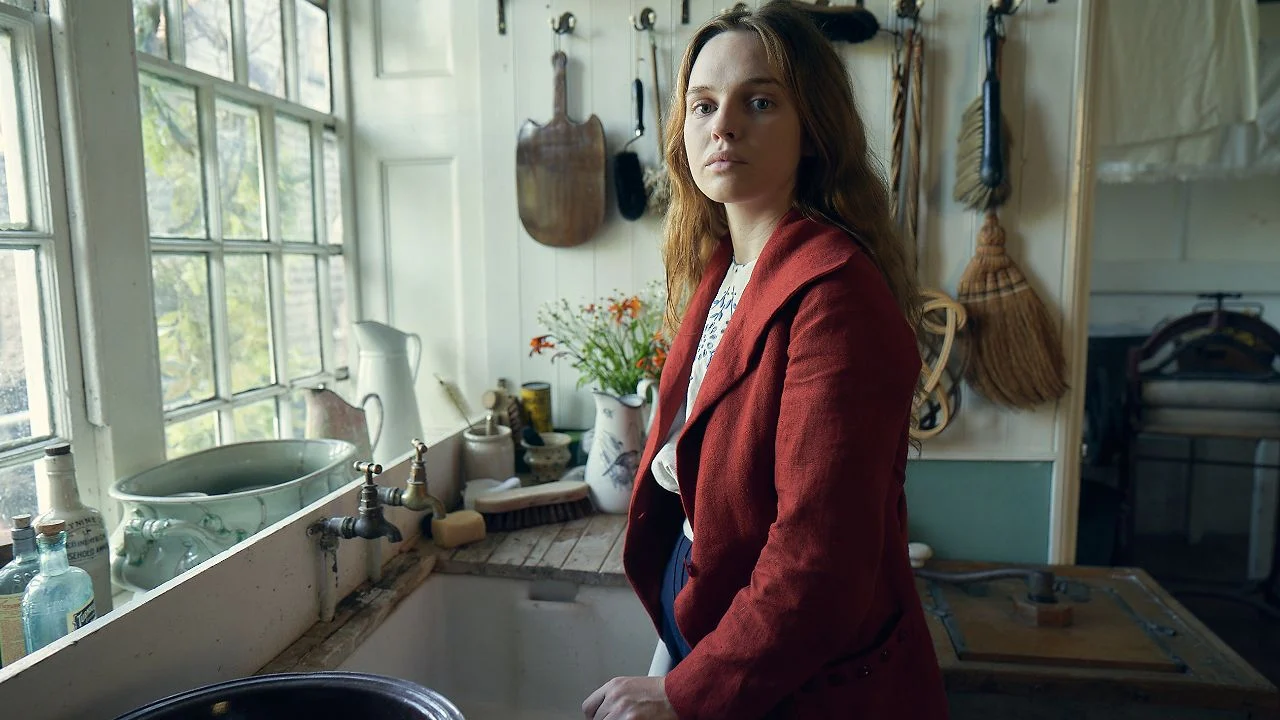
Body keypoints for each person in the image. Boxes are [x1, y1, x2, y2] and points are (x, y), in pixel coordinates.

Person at [581, 2, 950, 719]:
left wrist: (685, 692)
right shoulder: (723, 269)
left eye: (759, 102)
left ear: (813, 128)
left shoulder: (835, 296)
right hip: (720, 619)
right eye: (703, 105)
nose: (722, 126)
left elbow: (819, 561)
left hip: (801, 673)